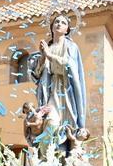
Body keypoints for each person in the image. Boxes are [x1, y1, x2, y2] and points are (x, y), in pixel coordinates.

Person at [29, 13, 89, 151]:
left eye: (63, 22)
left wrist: (50, 55)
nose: (59, 24)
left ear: (67, 29)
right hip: (52, 91)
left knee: (67, 129)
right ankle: (44, 164)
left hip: (67, 93)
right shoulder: (47, 47)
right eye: (56, 22)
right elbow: (37, 74)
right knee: (51, 123)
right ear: (51, 27)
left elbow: (69, 67)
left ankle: (61, 160)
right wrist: (43, 56)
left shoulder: (71, 47)